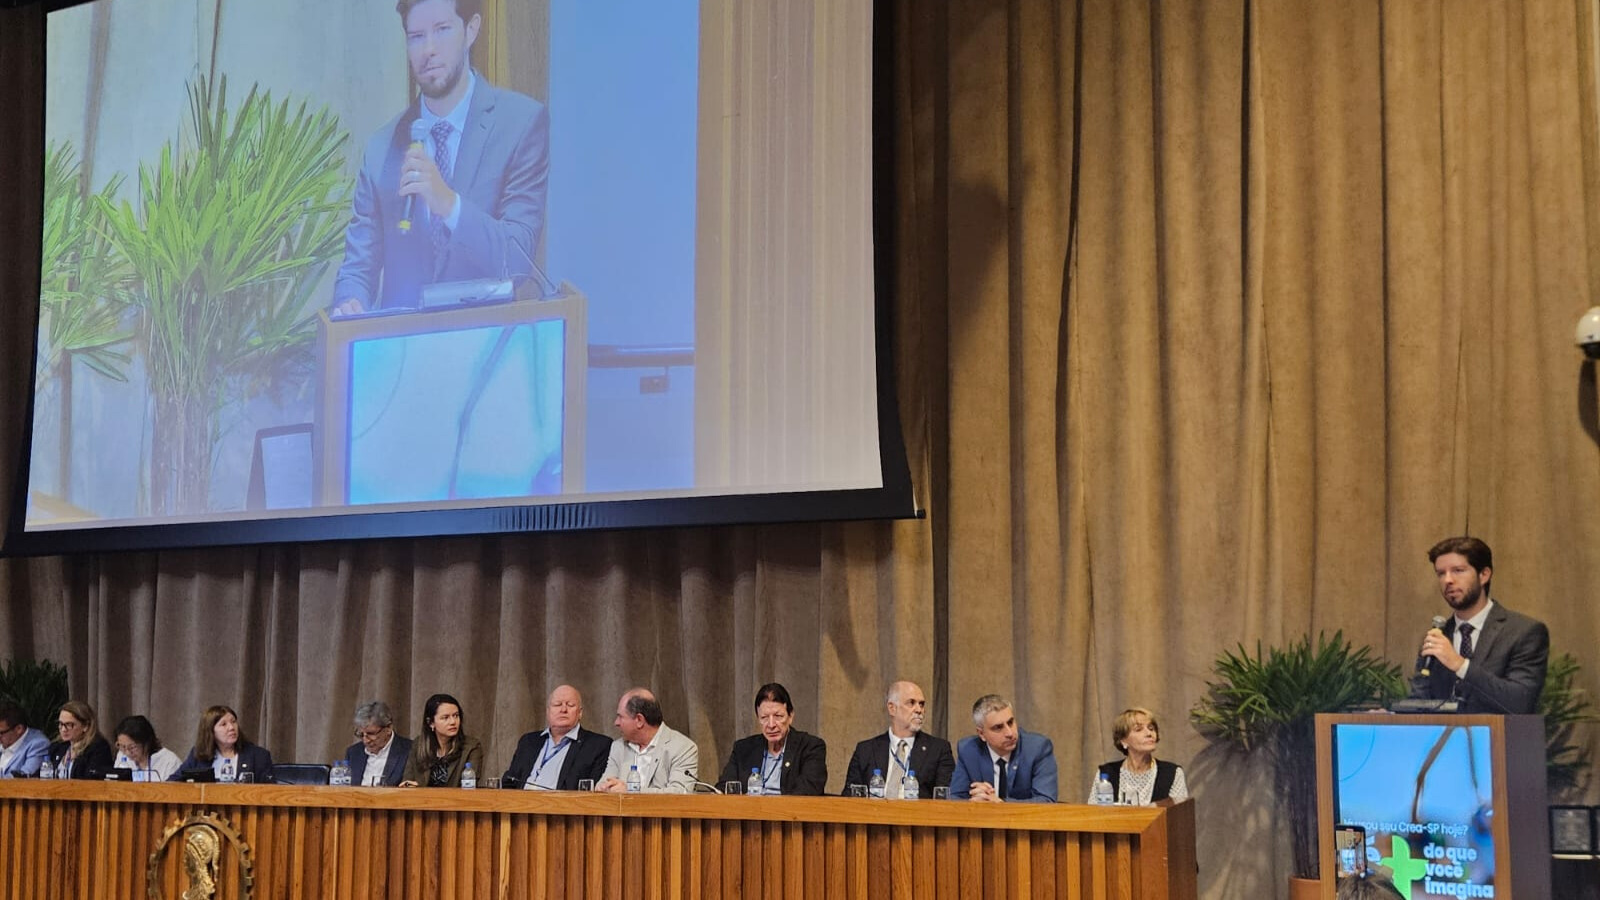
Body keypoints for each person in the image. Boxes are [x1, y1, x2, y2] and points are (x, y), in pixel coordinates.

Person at [331, 0, 550, 314]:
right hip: (402, 352)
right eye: (416, 36)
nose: (428, 49)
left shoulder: (521, 124)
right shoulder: (382, 148)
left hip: (486, 345)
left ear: (471, 30)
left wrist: (448, 203)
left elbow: (517, 261)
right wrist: (350, 302)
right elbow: (357, 268)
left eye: (442, 30)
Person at [1410, 536, 1549, 714]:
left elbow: (1520, 701)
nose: (1447, 580)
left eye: (1458, 570)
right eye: (1441, 573)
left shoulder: (1524, 632)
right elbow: (1420, 703)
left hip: (1498, 739)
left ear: (1484, 575)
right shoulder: (1437, 636)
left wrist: (1460, 665)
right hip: (1445, 741)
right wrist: (1391, 715)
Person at [841, 680, 955, 799]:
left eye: (921, 704)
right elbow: (849, 796)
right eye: (911, 703)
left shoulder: (938, 750)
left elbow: (944, 798)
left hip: (916, 815)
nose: (919, 710)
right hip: (873, 815)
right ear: (892, 708)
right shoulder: (866, 750)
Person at [716, 683, 827, 795]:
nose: (771, 724)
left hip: (789, 811)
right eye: (764, 718)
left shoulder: (810, 747)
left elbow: (809, 791)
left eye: (778, 716)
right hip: (747, 811)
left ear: (791, 716)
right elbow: (724, 787)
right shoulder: (743, 749)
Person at [949, 694, 1058, 803]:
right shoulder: (969, 750)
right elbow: (955, 798)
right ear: (981, 734)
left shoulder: (1037, 748)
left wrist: (1000, 804)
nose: (1009, 733)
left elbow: (1046, 801)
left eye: (1010, 723)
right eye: (998, 727)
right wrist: (977, 800)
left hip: (1024, 819)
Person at [503, 684, 612, 791]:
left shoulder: (598, 745)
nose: (563, 709)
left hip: (562, 807)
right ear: (548, 711)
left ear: (580, 713)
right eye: (557, 704)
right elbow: (509, 782)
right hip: (521, 806)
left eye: (570, 705)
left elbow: (592, 793)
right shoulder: (528, 741)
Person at [596, 688, 698, 793]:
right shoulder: (618, 747)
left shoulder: (683, 748)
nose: (616, 723)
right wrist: (603, 787)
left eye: (620, 717)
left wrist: (632, 791)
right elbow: (602, 784)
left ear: (639, 720)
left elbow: (680, 793)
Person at [1089, 708, 1187, 806]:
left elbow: (1180, 815)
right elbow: (1092, 814)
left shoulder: (1172, 773)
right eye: (1138, 729)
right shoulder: (1107, 773)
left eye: (1151, 728)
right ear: (1123, 741)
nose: (1149, 733)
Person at [171, 706, 274, 782]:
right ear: (211, 731)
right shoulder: (198, 755)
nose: (231, 727)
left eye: (233, 722)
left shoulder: (259, 756)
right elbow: (172, 783)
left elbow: (270, 793)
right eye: (223, 724)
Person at [400, 693, 483, 787]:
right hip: (421, 801)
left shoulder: (471, 747)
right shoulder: (418, 745)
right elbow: (407, 782)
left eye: (456, 716)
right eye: (445, 718)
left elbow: (468, 787)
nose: (453, 722)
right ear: (431, 722)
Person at [345, 701, 413, 787]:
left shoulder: (410, 751)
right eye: (361, 734)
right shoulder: (353, 753)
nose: (365, 740)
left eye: (371, 734)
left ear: (388, 728)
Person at [46, 700, 114, 780]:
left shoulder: (98, 748)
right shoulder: (57, 747)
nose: (64, 729)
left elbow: (93, 780)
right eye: (61, 724)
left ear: (85, 726)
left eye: (69, 725)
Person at [113, 715, 183, 782]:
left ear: (147, 742)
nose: (127, 753)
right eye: (122, 746)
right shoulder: (122, 755)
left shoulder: (170, 762)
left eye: (132, 747)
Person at [0, 702, 51, 778]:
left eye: (1, 732)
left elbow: (24, 777)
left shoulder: (38, 744)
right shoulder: (4, 741)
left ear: (19, 729)